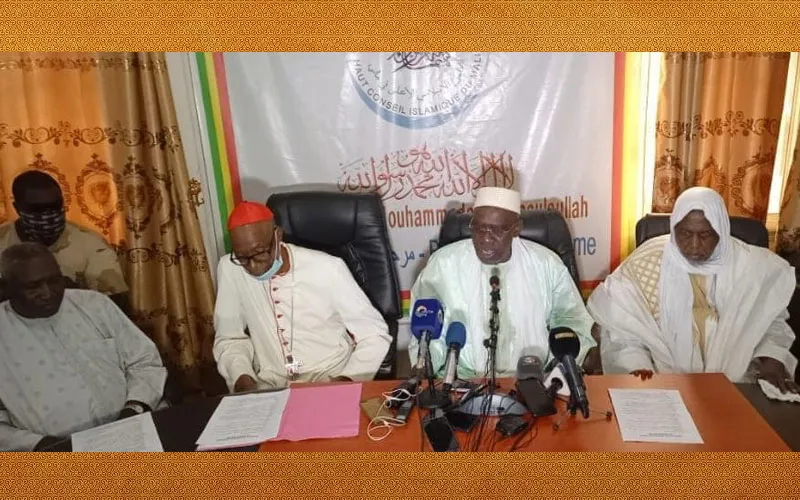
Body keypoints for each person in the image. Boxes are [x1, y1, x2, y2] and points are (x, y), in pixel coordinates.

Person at [588, 187, 799, 393]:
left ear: (721, 230)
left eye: (705, 234)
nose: (695, 245)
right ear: (674, 229)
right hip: (662, 381)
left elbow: (772, 323)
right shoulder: (645, 263)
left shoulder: (754, 267)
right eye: (685, 234)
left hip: (737, 383)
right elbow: (620, 330)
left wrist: (773, 360)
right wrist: (637, 369)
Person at [408, 187, 597, 379]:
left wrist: (563, 366)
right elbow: (426, 330)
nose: (485, 238)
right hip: (462, 380)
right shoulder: (443, 264)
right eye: (478, 228)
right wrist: (428, 365)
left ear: (517, 228)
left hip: (535, 378)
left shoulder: (547, 264)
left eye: (497, 230)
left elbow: (571, 321)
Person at [0, 242, 166, 451]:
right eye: (33, 287)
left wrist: (134, 408)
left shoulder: (95, 305)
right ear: (6, 288)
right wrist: (40, 445)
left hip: (133, 429)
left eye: (54, 280)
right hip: (50, 454)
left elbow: (145, 362)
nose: (48, 293)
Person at [213, 201, 392, 392]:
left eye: (260, 253)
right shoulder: (230, 269)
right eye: (242, 258)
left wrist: (346, 381)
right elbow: (230, 338)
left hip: (329, 378)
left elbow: (374, 334)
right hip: (269, 385)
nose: (253, 267)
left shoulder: (328, 268)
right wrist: (241, 376)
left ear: (278, 236)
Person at [0, 171, 129, 312]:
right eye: (37, 209)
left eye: (55, 206)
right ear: (17, 207)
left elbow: (113, 306)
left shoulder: (92, 245)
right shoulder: (3, 238)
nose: (48, 214)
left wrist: (69, 293)